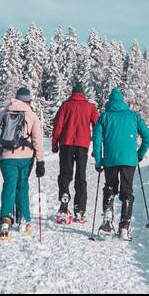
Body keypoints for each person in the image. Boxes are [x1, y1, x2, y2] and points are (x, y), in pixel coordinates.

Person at [91, 87, 149, 240]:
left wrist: (99, 160)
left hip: (110, 159)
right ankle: (124, 227)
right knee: (127, 191)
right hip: (129, 160)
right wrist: (139, 155)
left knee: (110, 187)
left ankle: (107, 216)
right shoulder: (133, 116)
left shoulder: (104, 117)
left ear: (109, 103)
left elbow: (97, 140)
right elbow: (147, 137)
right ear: (123, 101)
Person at [0, 87, 46, 240]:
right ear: (28, 100)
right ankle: (24, 219)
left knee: (9, 186)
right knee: (22, 186)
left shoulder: (4, 112)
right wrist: (40, 161)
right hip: (25, 158)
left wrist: (6, 145)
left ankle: (5, 222)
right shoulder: (32, 115)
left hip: (6, 158)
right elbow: (37, 141)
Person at [50, 82, 99, 225]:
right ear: (83, 94)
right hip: (82, 145)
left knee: (65, 174)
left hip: (66, 144)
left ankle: (64, 203)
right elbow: (97, 126)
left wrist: (55, 144)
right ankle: (80, 210)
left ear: (72, 93)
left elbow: (58, 125)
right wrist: (96, 148)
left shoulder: (65, 105)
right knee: (81, 177)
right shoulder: (90, 107)